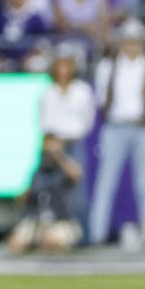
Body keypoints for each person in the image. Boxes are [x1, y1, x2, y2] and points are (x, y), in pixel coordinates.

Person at [89, 18, 145, 247]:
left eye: (137, 41)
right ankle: (97, 234)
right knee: (106, 181)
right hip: (116, 127)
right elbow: (102, 99)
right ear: (122, 42)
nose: (133, 46)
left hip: (143, 128)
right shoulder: (108, 67)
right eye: (129, 41)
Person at [38, 44, 97, 241]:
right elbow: (44, 123)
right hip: (52, 144)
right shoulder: (48, 92)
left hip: (73, 143)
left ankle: (85, 238)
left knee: (78, 193)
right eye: (60, 65)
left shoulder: (82, 91)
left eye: (67, 65)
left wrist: (67, 141)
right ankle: (49, 233)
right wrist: (53, 146)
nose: (63, 69)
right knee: (48, 188)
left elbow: (87, 120)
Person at [7, 134, 85, 254]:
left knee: (51, 241)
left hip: (61, 222)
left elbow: (76, 175)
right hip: (37, 221)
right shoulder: (38, 173)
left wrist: (59, 156)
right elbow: (21, 200)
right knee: (15, 243)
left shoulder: (63, 172)